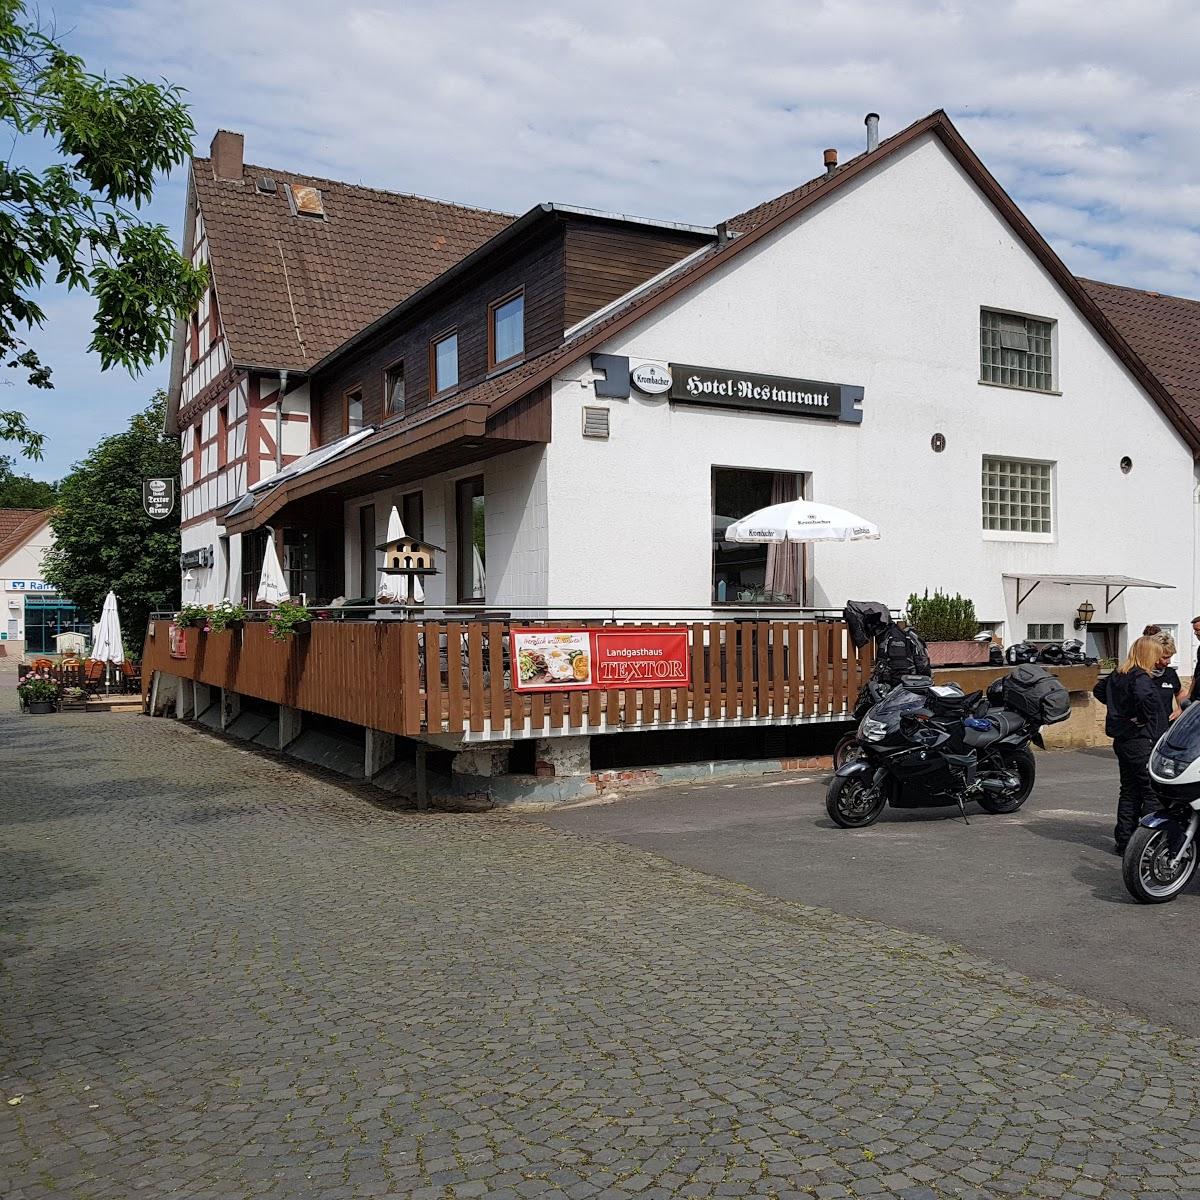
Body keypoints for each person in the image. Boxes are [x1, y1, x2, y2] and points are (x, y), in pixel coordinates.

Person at [1093, 635, 1168, 856]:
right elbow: (1145, 700)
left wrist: (1119, 709)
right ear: (1149, 655)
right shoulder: (1141, 677)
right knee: (1151, 792)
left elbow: (1099, 690)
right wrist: (1141, 717)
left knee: (1129, 790)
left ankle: (1125, 841)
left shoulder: (1118, 674)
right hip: (1141, 739)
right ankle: (1149, 843)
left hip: (1123, 739)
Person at [1149, 634, 1183, 727]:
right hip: (1142, 732)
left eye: (1170, 657)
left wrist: (1180, 709)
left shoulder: (1170, 673)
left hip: (1165, 727)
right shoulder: (1138, 674)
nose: (1169, 662)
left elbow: (1180, 692)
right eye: (1164, 657)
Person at [1190, 616, 1200, 702]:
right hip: (1196, 696)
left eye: (1197, 630)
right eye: (1194, 630)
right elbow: (1196, 673)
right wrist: (1189, 694)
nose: (1195, 633)